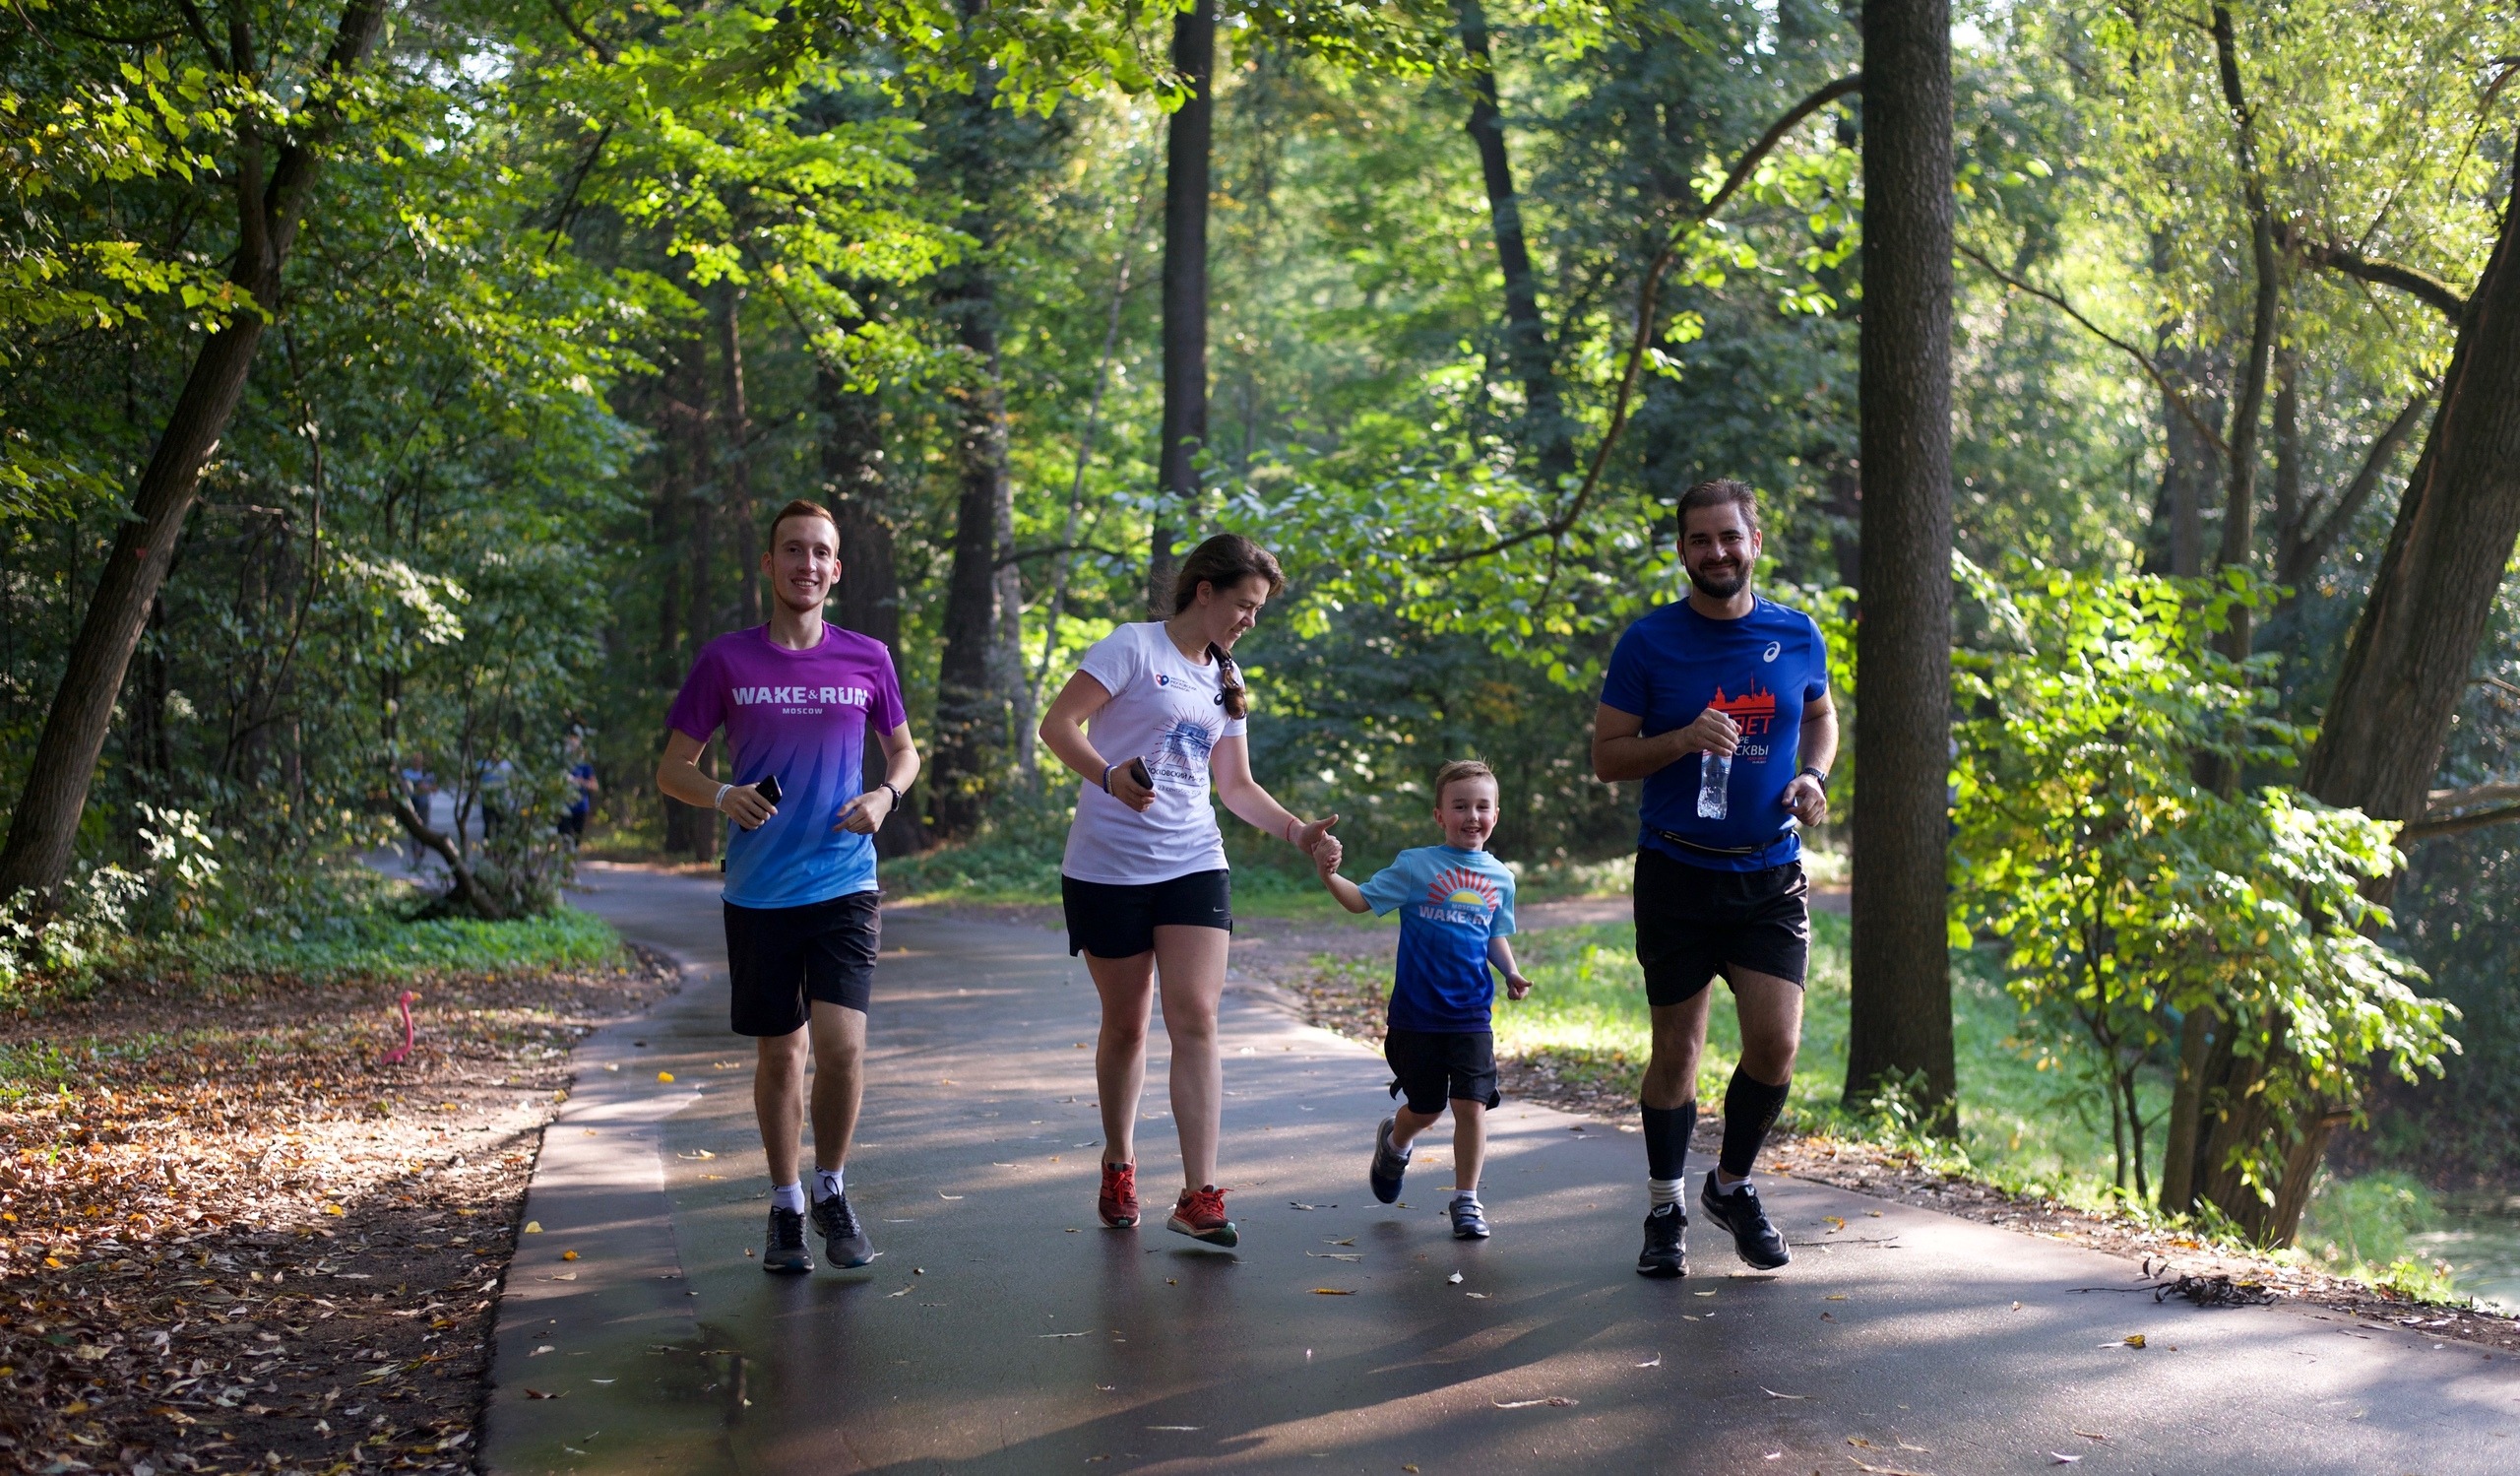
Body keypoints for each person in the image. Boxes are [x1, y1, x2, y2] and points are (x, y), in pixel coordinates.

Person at [1038, 534, 1341, 1248]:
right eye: (1244, 604)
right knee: (1126, 1024)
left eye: (1258, 610)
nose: (1250, 620)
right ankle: (1119, 1162)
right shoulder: (1132, 647)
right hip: (1108, 868)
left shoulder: (1225, 678)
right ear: (1204, 590)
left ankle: (1200, 1193)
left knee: (1197, 1016)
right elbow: (1057, 724)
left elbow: (1234, 785)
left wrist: (1298, 831)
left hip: (1194, 861)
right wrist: (1108, 775)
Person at [656, 498, 920, 1276]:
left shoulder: (868, 657)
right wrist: (721, 794)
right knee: (782, 1053)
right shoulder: (726, 661)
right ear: (769, 564)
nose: (807, 563)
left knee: (840, 1046)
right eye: (793, 550)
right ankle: (785, 1204)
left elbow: (904, 752)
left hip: (844, 881)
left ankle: (832, 1187)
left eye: (820, 552)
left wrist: (885, 797)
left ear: (837, 570)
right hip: (760, 891)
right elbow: (672, 768)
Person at [1592, 478, 1837, 1279]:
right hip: (1677, 871)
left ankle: (1729, 1185)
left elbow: (1821, 713)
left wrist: (1814, 775)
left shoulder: (1797, 633)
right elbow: (1607, 757)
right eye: (1700, 539)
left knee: (1777, 1044)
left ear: (1754, 542)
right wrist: (1681, 738)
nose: (1717, 552)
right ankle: (1665, 1207)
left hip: (1770, 873)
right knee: (1678, 1051)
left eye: (1730, 536)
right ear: (1682, 551)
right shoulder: (1648, 642)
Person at [1312, 759, 1534, 1240]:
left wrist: (1511, 972)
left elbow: (1493, 934)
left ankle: (1466, 1200)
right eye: (1460, 806)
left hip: (1471, 1014)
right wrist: (1330, 875)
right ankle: (1395, 1143)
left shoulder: (1501, 878)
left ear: (1496, 814)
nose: (1472, 816)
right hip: (1417, 1016)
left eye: (1482, 807)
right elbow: (1359, 901)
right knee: (1428, 1108)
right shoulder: (1415, 866)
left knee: (1471, 1106)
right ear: (1439, 815)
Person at [557, 731, 598, 846]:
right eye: (570, 746)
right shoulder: (562, 766)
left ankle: (574, 855)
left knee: (576, 840)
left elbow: (595, 786)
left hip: (580, 808)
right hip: (564, 807)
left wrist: (579, 782)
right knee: (564, 838)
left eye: (575, 746)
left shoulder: (585, 767)